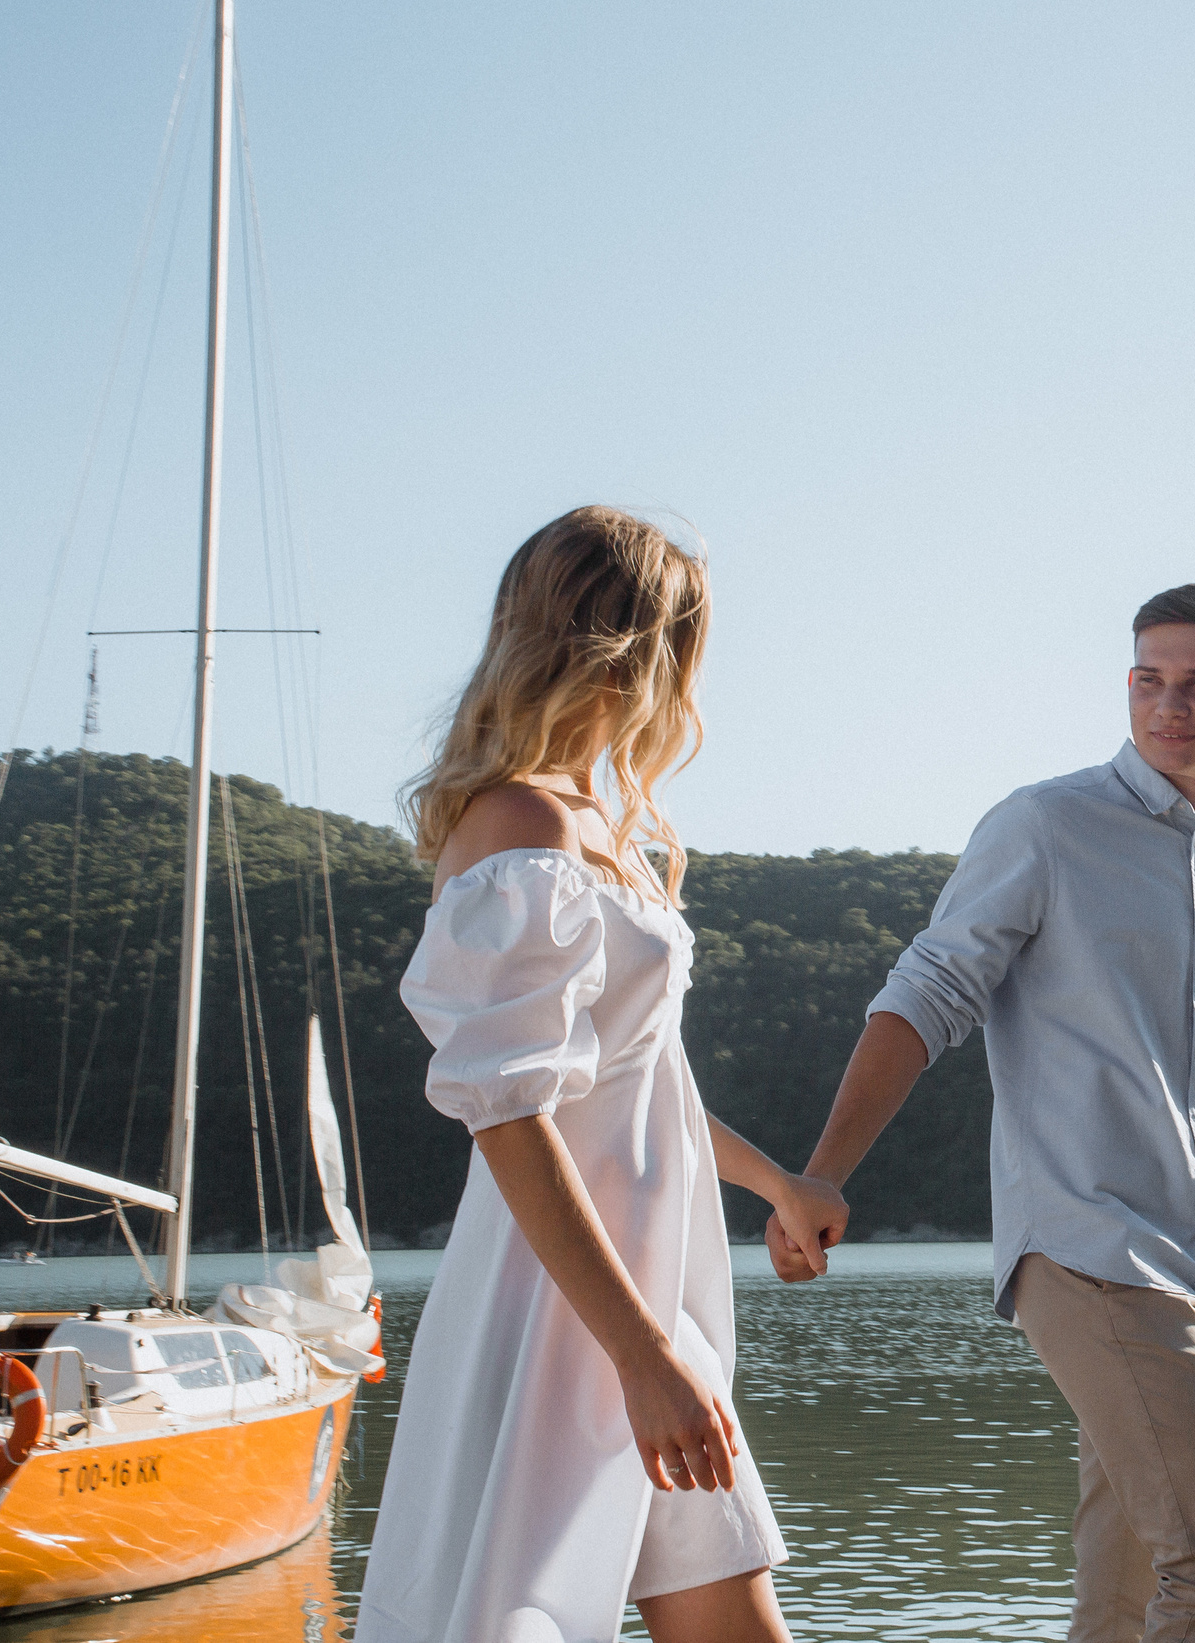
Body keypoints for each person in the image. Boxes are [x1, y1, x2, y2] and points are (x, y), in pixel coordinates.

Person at [770, 581, 1195, 1643]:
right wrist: (823, 1171)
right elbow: (925, 995)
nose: (1169, 705)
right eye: (1148, 679)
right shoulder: (1047, 825)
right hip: (1084, 1246)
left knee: (1124, 1602)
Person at [355, 508, 847, 1643]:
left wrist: (775, 1183)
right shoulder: (521, 823)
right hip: (563, 1313)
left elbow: (641, 1087)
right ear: (636, 648)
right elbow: (511, 1115)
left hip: (644, 1308)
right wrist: (641, 1356)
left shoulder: (595, 828)